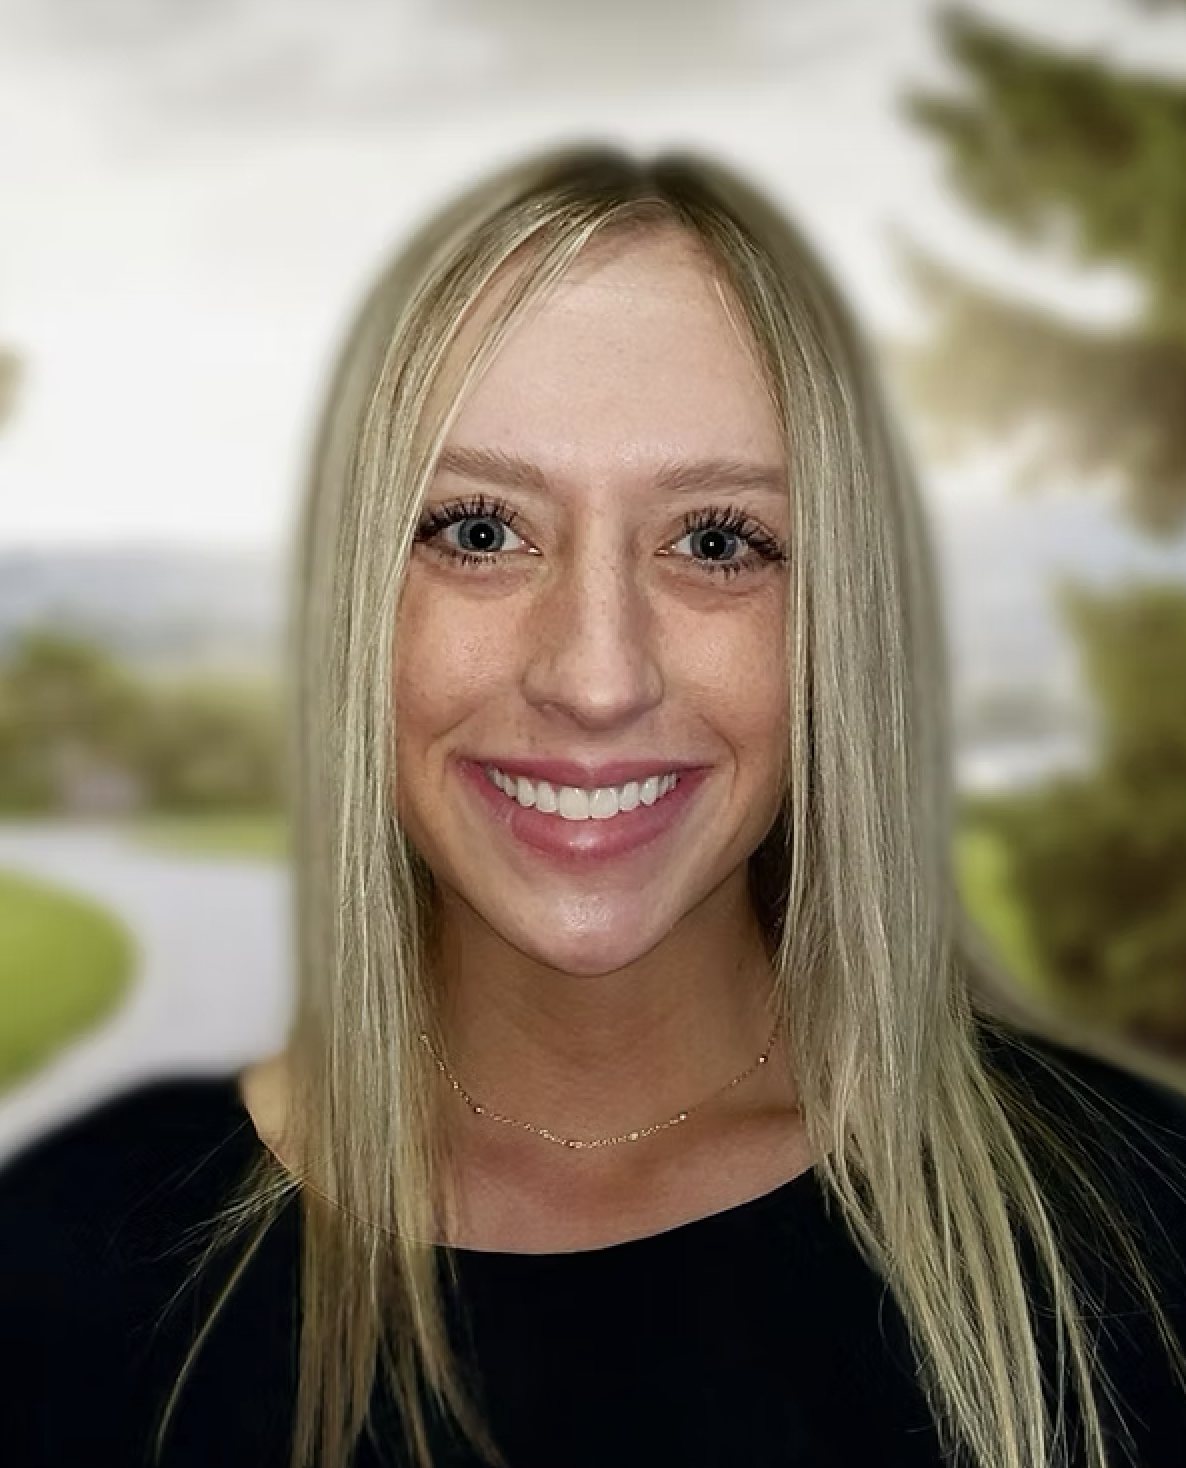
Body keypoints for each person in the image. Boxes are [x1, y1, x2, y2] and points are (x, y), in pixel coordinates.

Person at [2, 144, 1186, 1468]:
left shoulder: (1139, 1239)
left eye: (717, 542)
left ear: (834, 621)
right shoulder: (70, 1263)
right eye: (480, 532)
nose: (595, 675)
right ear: (356, 607)